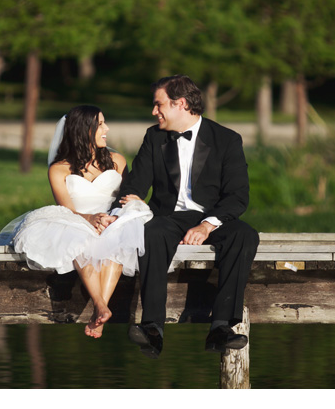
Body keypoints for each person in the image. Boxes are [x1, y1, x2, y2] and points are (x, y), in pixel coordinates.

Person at [110, 75, 259, 358]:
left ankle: (221, 327)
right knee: (151, 232)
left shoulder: (227, 140)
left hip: (212, 218)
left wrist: (206, 225)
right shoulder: (154, 137)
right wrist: (125, 206)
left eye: (158, 105)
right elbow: (135, 187)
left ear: (180, 104)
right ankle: (153, 328)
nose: (154, 112)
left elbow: (237, 196)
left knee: (245, 235)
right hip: (167, 218)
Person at [12, 105, 152, 338]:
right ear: (83, 129)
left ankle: (100, 309)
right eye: (100, 124)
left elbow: (124, 198)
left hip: (112, 219)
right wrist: (90, 219)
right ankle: (101, 306)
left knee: (117, 241)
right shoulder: (59, 169)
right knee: (78, 239)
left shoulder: (117, 160)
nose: (106, 128)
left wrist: (118, 212)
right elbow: (65, 209)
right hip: (78, 220)